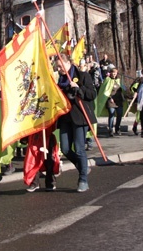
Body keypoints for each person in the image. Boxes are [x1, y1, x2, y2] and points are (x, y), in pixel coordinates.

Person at [55, 53, 97, 192]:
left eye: (61, 66)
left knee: (79, 149)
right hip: (66, 118)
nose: (59, 68)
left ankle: (83, 179)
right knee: (66, 149)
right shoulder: (59, 80)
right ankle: (83, 167)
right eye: (57, 66)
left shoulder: (83, 75)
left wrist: (78, 88)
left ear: (68, 63)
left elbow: (92, 94)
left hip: (80, 117)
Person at [95, 67, 127, 136]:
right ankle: (110, 129)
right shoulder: (107, 80)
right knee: (111, 115)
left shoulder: (118, 81)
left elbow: (122, 90)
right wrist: (109, 98)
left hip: (118, 101)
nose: (114, 74)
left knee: (119, 114)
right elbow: (105, 90)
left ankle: (117, 128)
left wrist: (125, 95)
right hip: (111, 101)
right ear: (110, 73)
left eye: (115, 73)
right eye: (112, 73)